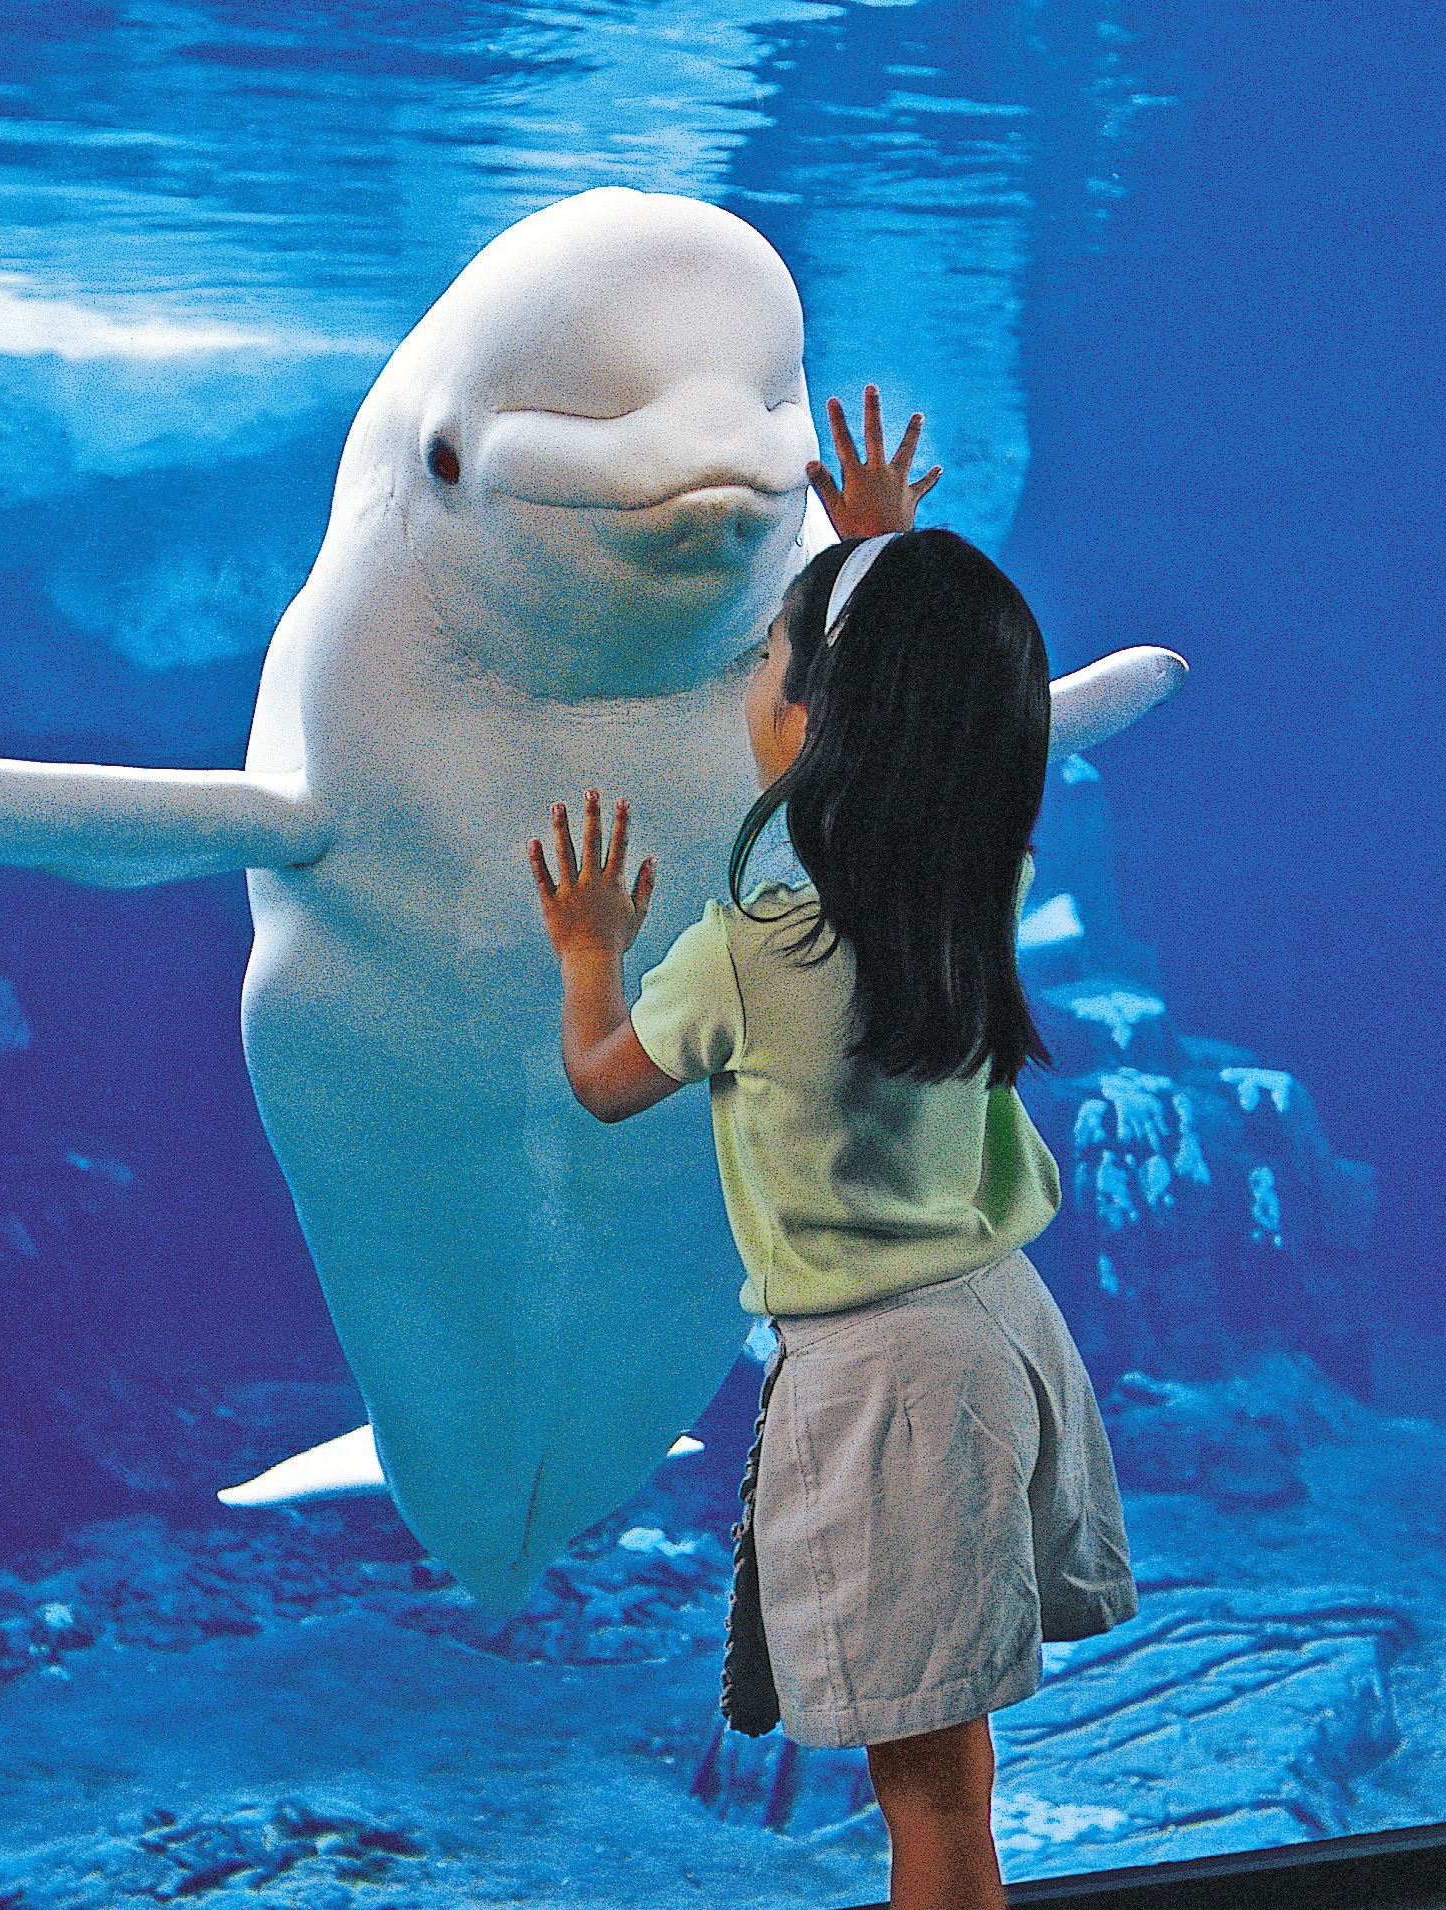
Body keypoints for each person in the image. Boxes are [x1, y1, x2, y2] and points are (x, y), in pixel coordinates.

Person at [527, 386, 1139, 1910]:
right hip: (1000, 1330)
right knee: (955, 1762)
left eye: (763, 662)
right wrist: (890, 554)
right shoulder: (972, 885)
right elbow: (966, 730)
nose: (746, 688)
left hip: (883, 1384)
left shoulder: (750, 947)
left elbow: (604, 1082)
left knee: (916, 1794)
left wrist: (586, 949)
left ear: (812, 717)